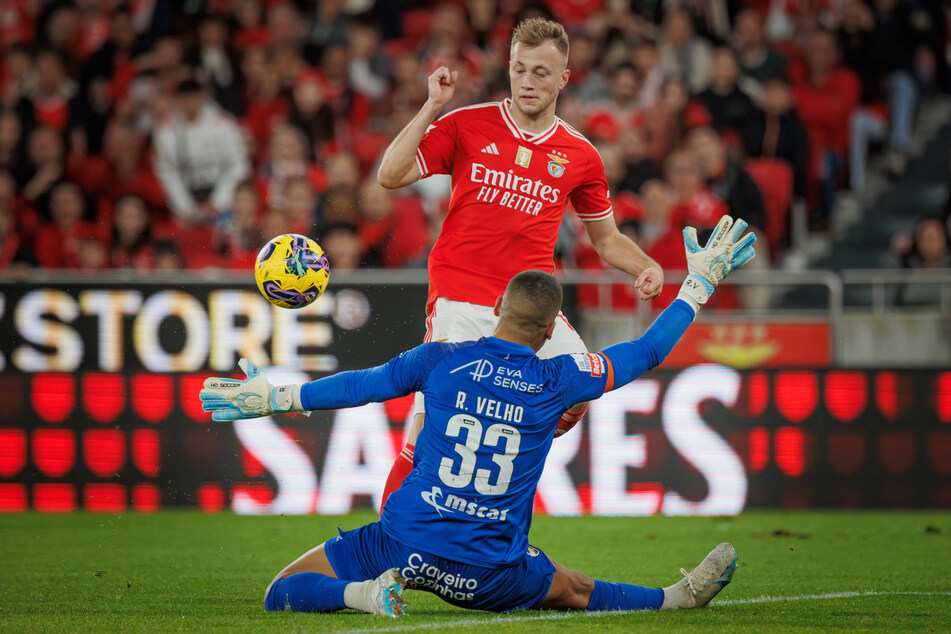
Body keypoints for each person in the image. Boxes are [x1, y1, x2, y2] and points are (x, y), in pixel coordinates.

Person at [199, 215, 756, 617]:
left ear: (495, 309)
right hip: (490, 572)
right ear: (549, 332)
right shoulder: (558, 378)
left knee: (284, 589)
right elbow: (649, 351)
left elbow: (361, 387)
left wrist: (276, 398)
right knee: (573, 589)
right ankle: (673, 599)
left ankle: (364, 595)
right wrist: (697, 284)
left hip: (404, 546)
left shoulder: (442, 358)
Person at [375, 17, 664, 509]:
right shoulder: (467, 124)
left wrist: (644, 266)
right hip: (459, 300)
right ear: (508, 69)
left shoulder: (580, 155)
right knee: (428, 436)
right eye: (519, 70)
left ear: (565, 79)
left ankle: (508, 441)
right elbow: (390, 174)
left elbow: (607, 238)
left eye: (541, 73)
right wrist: (432, 107)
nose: (528, 82)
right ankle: (383, 561)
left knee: (579, 389)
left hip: (529, 309)